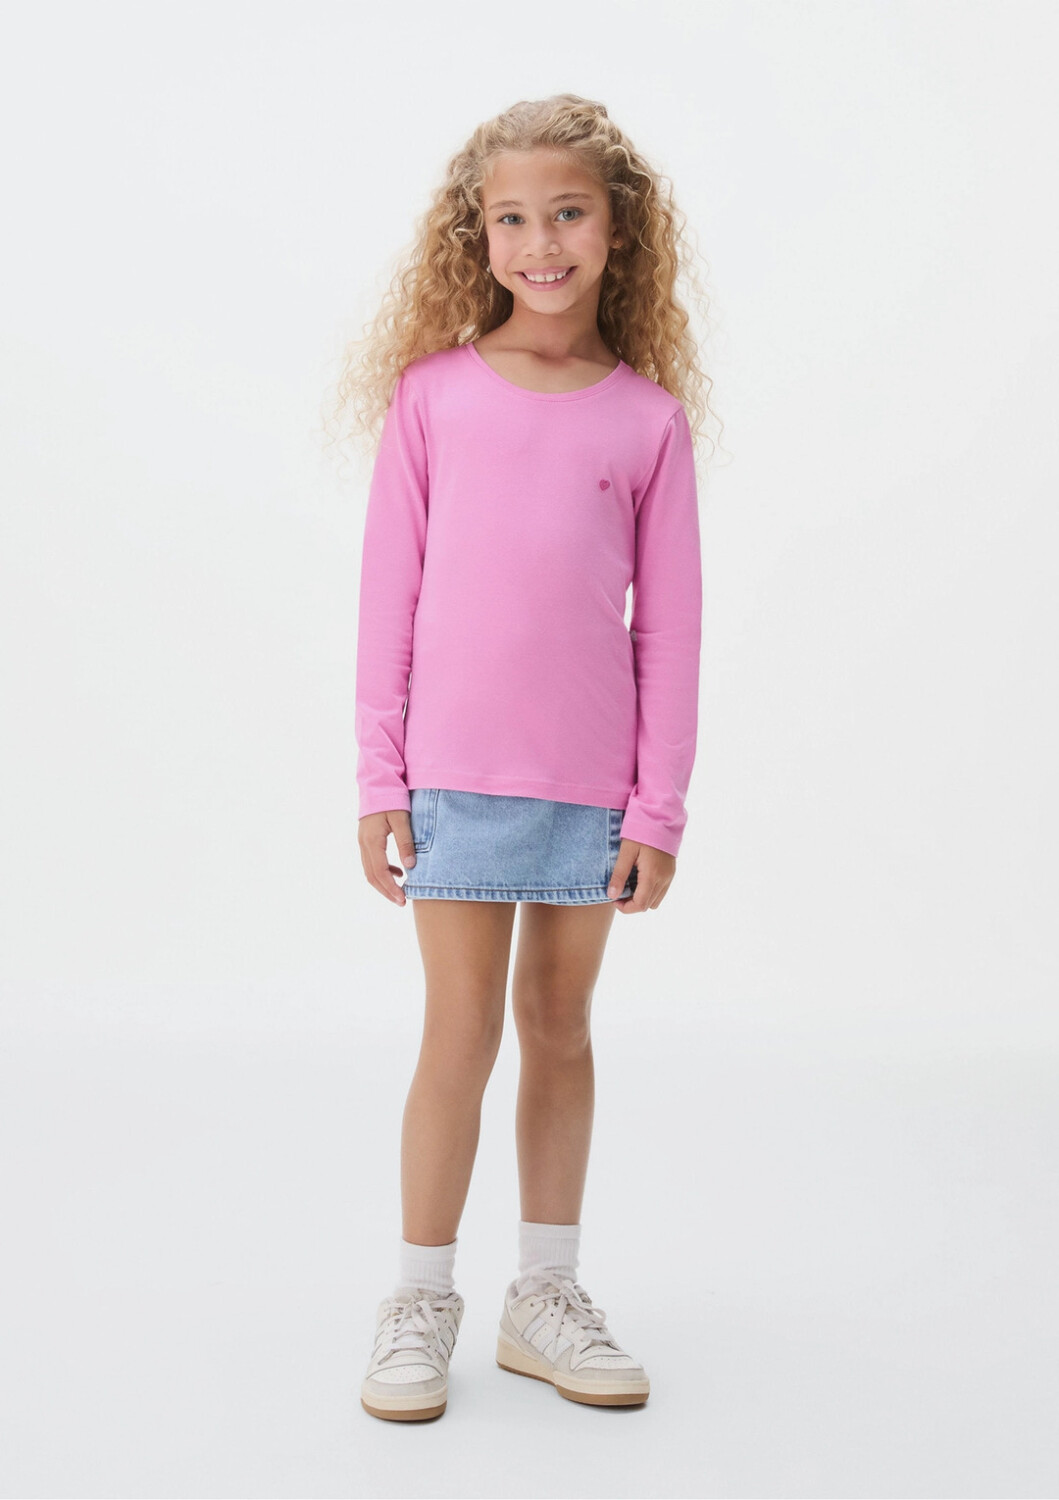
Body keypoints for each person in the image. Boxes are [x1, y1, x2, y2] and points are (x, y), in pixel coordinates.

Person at [337, 93, 716, 1422]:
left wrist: (656, 806)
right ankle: (419, 1298)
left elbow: (672, 629)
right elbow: (388, 598)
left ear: (617, 231)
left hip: (590, 789)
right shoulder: (432, 398)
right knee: (460, 1031)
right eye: (511, 218)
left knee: (560, 1026)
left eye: (567, 214)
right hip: (451, 777)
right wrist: (380, 779)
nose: (540, 243)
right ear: (477, 237)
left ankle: (543, 1296)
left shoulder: (648, 420)